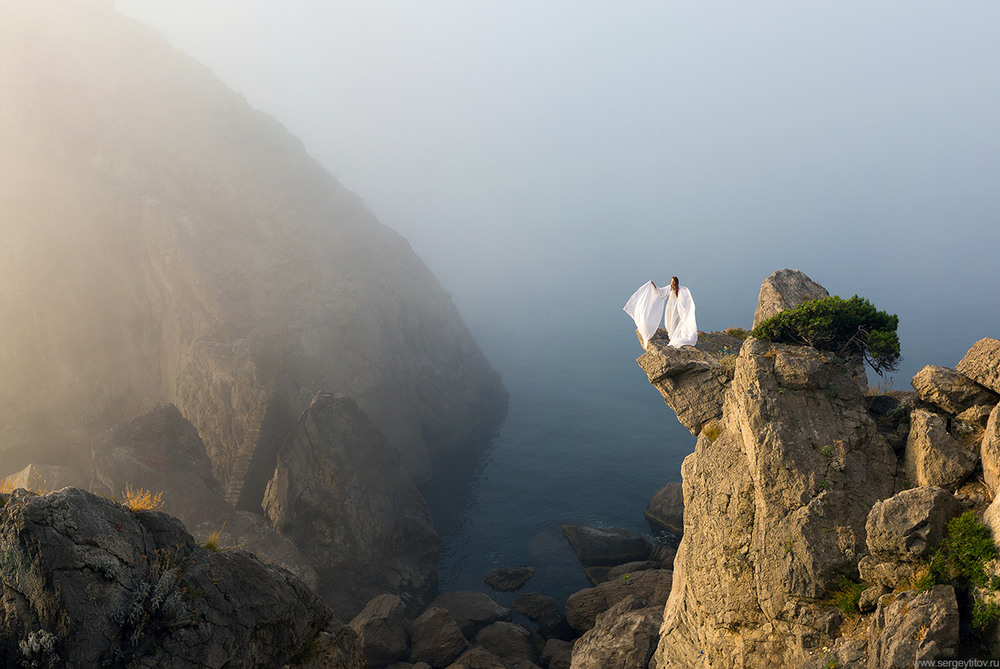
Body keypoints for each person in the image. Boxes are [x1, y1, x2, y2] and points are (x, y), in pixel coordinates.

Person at [623, 276, 697, 349]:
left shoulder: (681, 290)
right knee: (668, 321)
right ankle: (671, 336)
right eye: (671, 281)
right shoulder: (669, 288)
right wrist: (653, 285)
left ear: (676, 282)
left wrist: (681, 308)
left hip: (676, 308)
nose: (672, 283)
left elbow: (684, 300)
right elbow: (660, 292)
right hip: (670, 307)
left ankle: (674, 336)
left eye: (674, 281)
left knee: (674, 321)